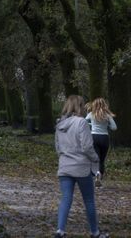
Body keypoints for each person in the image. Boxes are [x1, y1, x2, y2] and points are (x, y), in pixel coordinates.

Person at [54, 95, 108, 238]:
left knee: (66, 198)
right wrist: (96, 159)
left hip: (65, 166)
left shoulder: (59, 124)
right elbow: (87, 146)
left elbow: (57, 147)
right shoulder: (81, 123)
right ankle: (95, 232)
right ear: (80, 106)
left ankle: (60, 230)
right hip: (81, 167)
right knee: (89, 200)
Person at [85, 98, 117, 187]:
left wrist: (92, 124)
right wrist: (107, 125)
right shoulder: (107, 115)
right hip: (104, 138)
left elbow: (84, 122)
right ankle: (99, 174)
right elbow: (114, 127)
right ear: (104, 105)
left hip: (94, 137)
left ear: (94, 105)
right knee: (102, 160)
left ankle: (96, 173)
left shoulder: (91, 114)